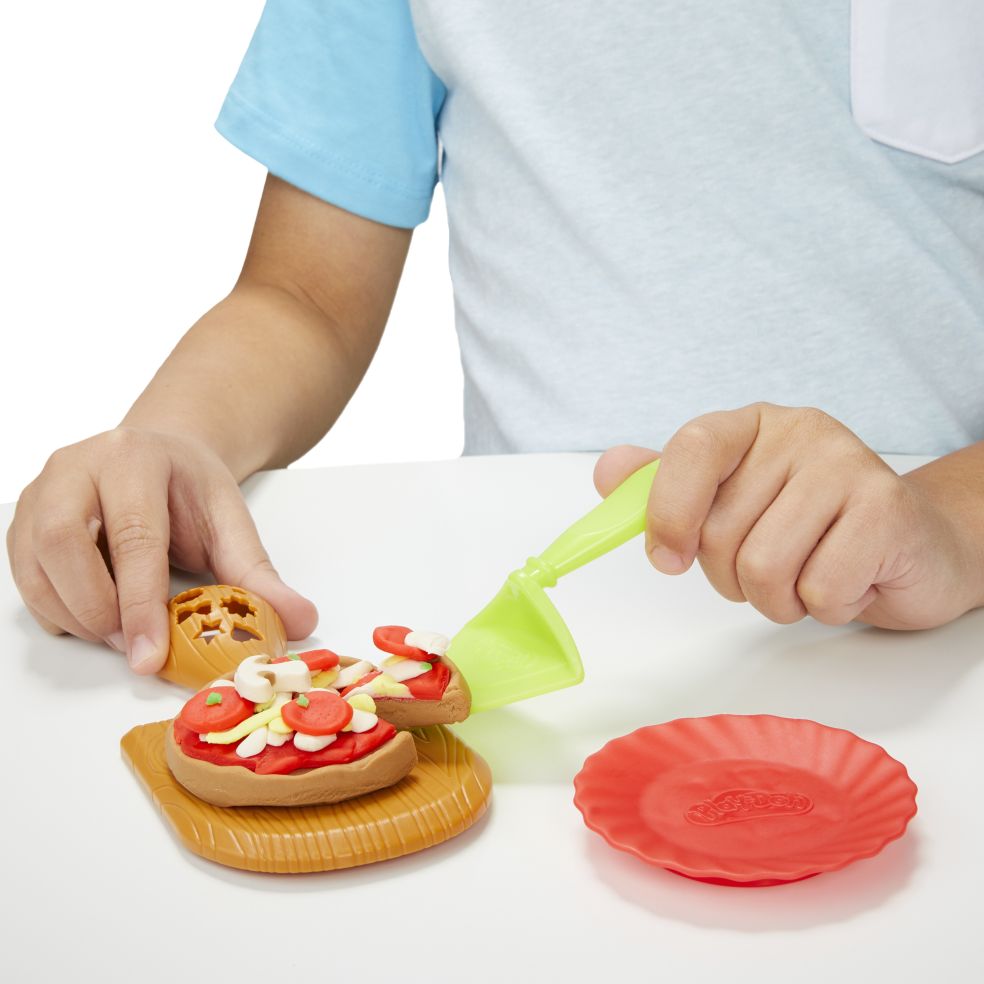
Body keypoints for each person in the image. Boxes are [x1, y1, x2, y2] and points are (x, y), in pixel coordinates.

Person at [7, 1, 984, 672]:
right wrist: (177, 439)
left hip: (938, 642)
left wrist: (947, 524)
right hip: (527, 655)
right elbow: (302, 297)